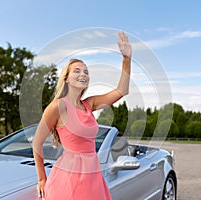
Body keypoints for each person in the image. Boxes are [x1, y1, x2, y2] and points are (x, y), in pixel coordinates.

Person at [32, 30, 132, 200]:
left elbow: (121, 90)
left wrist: (126, 59)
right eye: (77, 71)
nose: (83, 74)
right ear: (66, 78)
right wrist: (42, 178)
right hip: (68, 177)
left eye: (86, 72)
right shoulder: (58, 106)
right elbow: (37, 142)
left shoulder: (89, 104)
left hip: (92, 176)